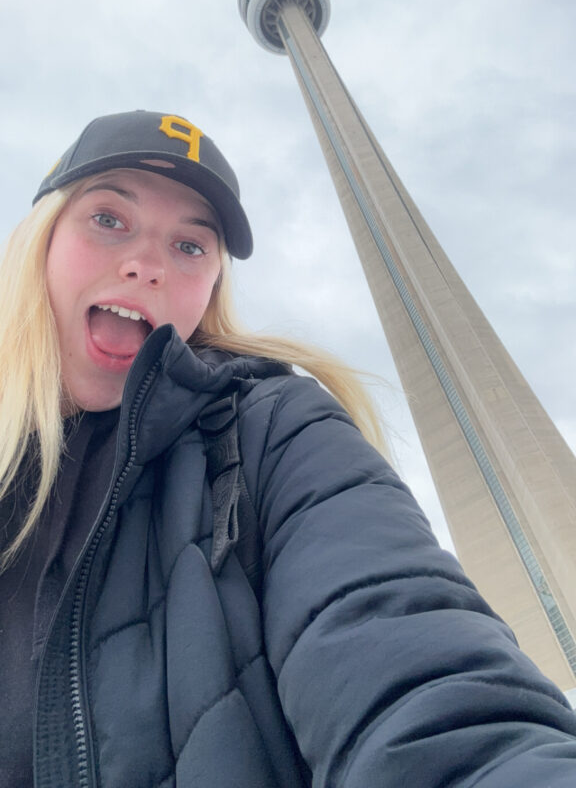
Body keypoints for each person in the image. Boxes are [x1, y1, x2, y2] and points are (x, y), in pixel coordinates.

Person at [0, 109, 575, 788]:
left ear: (214, 285)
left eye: (191, 245)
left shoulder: (272, 431)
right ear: (41, 238)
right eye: (108, 219)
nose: (148, 264)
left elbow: (418, 672)